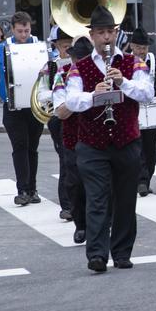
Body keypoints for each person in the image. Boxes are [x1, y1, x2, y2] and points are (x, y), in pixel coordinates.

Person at [65, 5, 154, 273]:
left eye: (109, 32)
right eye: (100, 33)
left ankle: (122, 252)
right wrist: (94, 94)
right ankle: (97, 254)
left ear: (116, 33)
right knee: (97, 198)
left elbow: (147, 92)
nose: (106, 38)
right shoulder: (79, 68)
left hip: (126, 140)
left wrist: (123, 82)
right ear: (92, 36)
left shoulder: (133, 63)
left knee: (126, 199)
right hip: (92, 144)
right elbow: (71, 101)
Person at [0, 12, 45, 206]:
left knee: (32, 149)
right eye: (20, 31)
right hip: (12, 107)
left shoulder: (40, 47)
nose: (24, 35)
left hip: (35, 106)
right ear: (12, 29)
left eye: (26, 30)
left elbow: (53, 68)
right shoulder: (2, 48)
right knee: (20, 147)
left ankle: (33, 189)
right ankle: (22, 190)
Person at [51, 37, 94, 244]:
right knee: (75, 183)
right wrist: (84, 99)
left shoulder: (101, 72)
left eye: (84, 59)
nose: (80, 64)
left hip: (98, 135)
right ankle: (81, 224)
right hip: (73, 136)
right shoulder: (62, 74)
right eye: (77, 59)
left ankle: (101, 221)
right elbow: (61, 112)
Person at [130, 27, 156, 197]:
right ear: (132, 46)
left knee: (150, 147)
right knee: (136, 146)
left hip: (152, 108)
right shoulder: (126, 62)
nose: (141, 51)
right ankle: (141, 180)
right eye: (138, 47)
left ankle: (147, 178)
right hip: (133, 110)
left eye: (144, 48)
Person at [44, 27, 75, 220]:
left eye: (72, 45)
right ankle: (67, 205)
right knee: (66, 160)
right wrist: (59, 93)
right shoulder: (51, 66)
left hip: (79, 115)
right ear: (57, 46)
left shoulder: (81, 64)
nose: (69, 50)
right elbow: (41, 93)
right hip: (59, 117)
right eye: (65, 47)